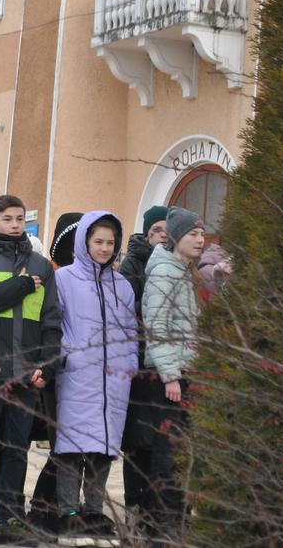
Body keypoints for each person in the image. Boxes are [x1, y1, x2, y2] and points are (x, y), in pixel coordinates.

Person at [0, 194, 62, 546]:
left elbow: (52, 323)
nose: (16, 225)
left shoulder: (41, 266)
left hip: (27, 373)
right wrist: (19, 286)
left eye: (20, 218)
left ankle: (8, 518)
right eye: (8, 219)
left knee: (16, 449)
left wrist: (46, 368)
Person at [53, 212, 138, 547]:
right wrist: (67, 355)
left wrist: (128, 364)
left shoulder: (123, 285)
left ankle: (93, 511)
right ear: (85, 242)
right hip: (77, 375)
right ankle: (68, 513)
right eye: (98, 241)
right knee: (72, 449)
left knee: (102, 450)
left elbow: (131, 332)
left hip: (114, 380)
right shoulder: (66, 280)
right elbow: (54, 322)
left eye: (110, 242)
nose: (105, 248)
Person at [142, 207, 204, 539]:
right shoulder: (165, 272)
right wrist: (170, 375)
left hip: (182, 372)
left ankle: (169, 524)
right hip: (170, 377)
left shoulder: (183, 271)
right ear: (177, 238)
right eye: (193, 234)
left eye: (202, 234)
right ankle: (163, 530)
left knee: (178, 453)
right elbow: (157, 325)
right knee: (168, 455)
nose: (200, 239)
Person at [27, 211, 83, 533]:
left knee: (74, 449)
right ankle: (43, 511)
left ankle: (52, 511)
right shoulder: (55, 278)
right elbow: (49, 325)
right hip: (55, 371)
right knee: (62, 446)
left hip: (80, 374)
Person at [117, 205, 168, 521]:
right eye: (157, 230)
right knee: (137, 442)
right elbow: (127, 314)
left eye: (167, 229)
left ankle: (155, 509)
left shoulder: (177, 265)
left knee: (161, 443)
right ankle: (134, 510)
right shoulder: (132, 266)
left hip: (165, 367)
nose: (163, 235)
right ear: (147, 234)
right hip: (138, 364)